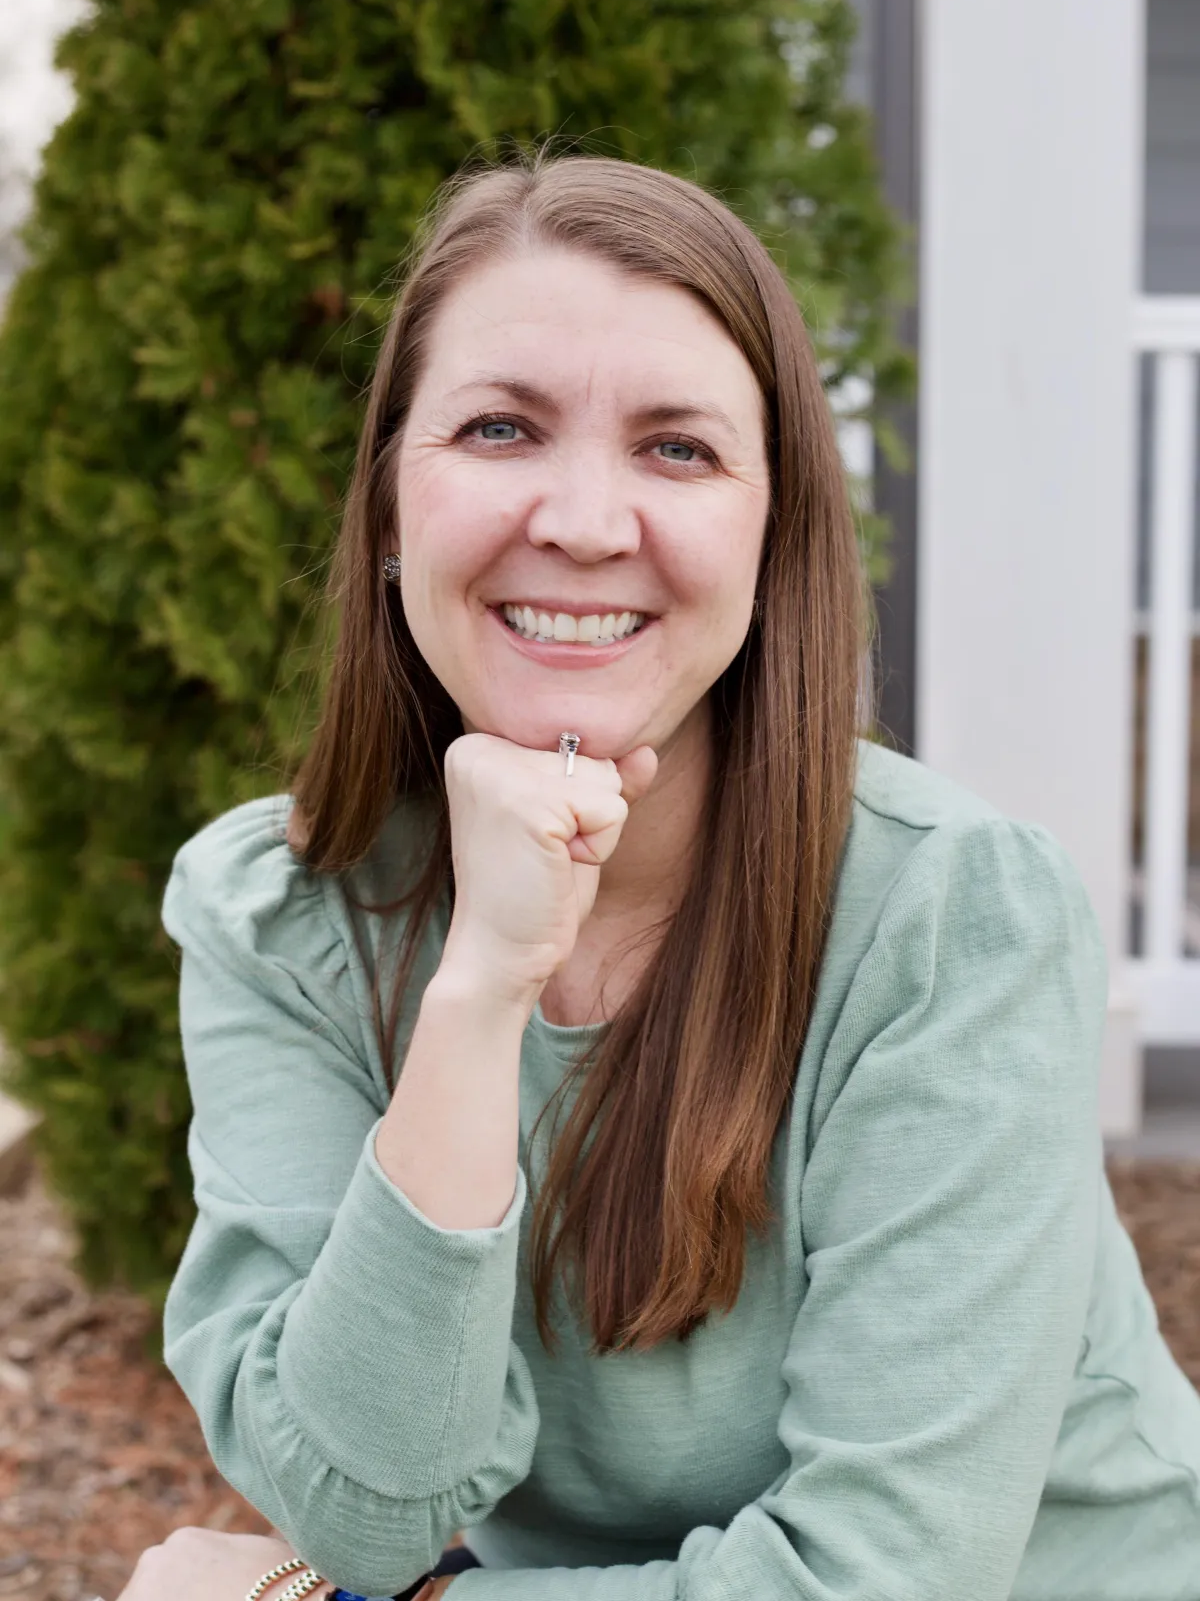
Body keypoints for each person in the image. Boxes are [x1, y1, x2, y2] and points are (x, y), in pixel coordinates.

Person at [123, 155, 1200, 1601]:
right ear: (389, 507)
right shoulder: (276, 909)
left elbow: (890, 1576)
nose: (581, 519)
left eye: (678, 449)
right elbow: (366, 1512)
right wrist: (480, 990)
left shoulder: (953, 917)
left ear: (773, 532)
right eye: (501, 428)